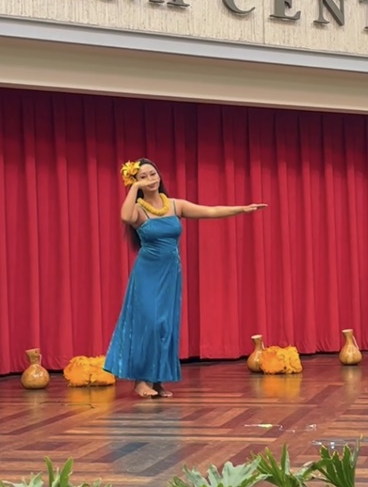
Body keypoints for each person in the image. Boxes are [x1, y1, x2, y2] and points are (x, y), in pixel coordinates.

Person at [105, 159, 266, 399]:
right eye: (143, 177)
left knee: (165, 325)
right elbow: (126, 216)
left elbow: (210, 211)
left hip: (170, 273)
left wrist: (241, 209)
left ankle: (156, 381)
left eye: (153, 174)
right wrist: (134, 189)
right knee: (150, 323)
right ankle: (141, 380)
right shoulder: (139, 209)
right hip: (148, 273)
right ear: (134, 182)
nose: (151, 179)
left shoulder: (174, 206)